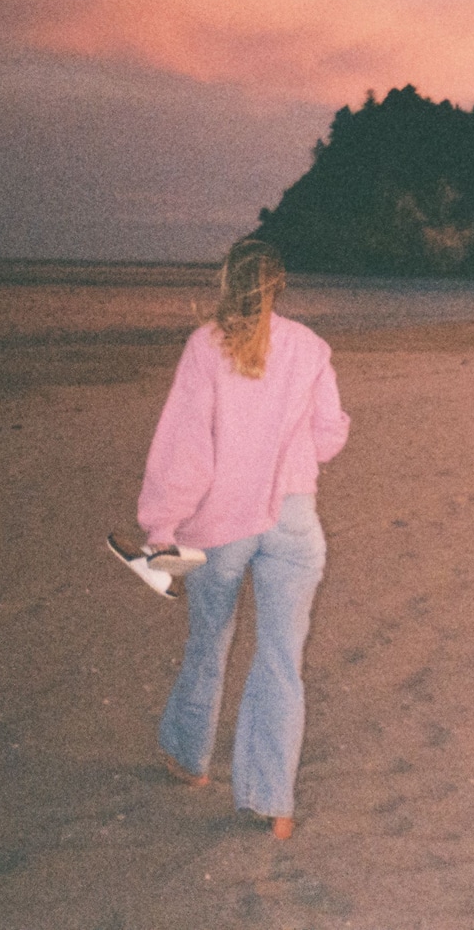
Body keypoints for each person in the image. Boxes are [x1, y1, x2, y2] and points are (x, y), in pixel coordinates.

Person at [135, 239, 350, 840]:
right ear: (279, 286)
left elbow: (186, 450)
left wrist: (161, 530)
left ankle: (190, 758)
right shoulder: (310, 347)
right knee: (282, 658)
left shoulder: (206, 346)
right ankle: (270, 802)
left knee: (211, 638)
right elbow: (330, 434)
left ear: (228, 281)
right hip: (294, 521)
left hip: (224, 524)